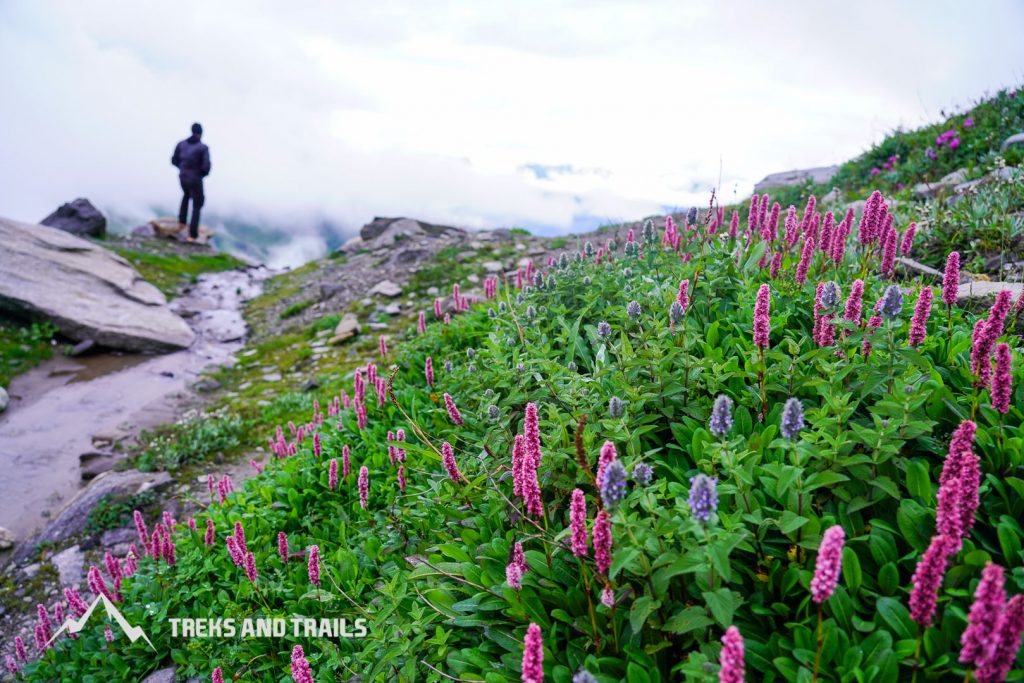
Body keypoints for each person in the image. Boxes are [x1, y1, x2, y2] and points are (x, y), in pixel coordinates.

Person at [171, 123, 212, 241]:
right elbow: (206, 167)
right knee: (197, 204)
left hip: (183, 176)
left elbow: (174, 160)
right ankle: (192, 234)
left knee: (186, 195)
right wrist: (199, 173)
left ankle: (182, 223)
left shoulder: (181, 144)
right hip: (195, 178)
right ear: (201, 133)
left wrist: (183, 169)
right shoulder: (203, 148)